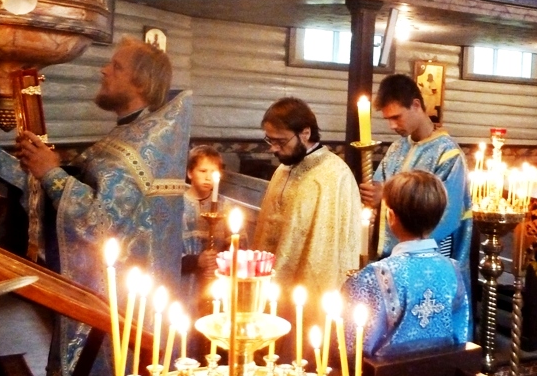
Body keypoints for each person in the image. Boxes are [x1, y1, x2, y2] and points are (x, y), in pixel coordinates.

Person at [0, 37, 192, 376]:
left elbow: (100, 220)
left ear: (141, 82)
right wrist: (1, 161)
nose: (104, 70)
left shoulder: (139, 146)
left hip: (126, 300)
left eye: (116, 66)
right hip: (108, 290)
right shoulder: (126, 134)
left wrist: (51, 173)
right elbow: (81, 185)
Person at [253, 97, 362, 347]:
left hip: (308, 291)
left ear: (305, 133)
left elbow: (329, 252)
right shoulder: (282, 170)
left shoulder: (334, 175)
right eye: (270, 140)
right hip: (271, 285)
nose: (274, 149)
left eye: (281, 141)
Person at [342, 170, 470, 356]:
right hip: (443, 372)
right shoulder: (453, 271)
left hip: (385, 374)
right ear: (438, 218)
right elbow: (459, 335)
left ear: (391, 216)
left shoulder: (374, 276)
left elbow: (350, 346)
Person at [360, 74, 471, 279]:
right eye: (388, 119)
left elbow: (446, 214)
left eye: (396, 117)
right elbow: (378, 189)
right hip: (391, 258)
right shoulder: (396, 148)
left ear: (416, 105)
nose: (392, 126)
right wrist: (373, 197)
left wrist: (385, 196)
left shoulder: (448, 154)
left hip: (430, 260)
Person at [181, 145, 229, 358]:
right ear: (190, 172)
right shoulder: (177, 204)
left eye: (214, 172)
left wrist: (221, 261)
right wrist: (196, 261)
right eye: (202, 171)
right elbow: (165, 248)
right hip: (185, 284)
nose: (209, 177)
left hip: (217, 282)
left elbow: (237, 245)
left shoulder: (225, 206)